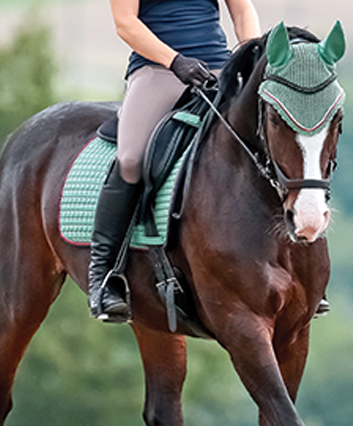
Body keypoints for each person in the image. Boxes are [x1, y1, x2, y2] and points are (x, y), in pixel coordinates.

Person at [89, 0, 261, 322]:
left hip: (220, 69)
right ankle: (103, 276)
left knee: (268, 141)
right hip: (158, 71)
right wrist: (175, 61)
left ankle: (298, 262)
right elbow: (125, 23)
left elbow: (242, 10)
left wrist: (251, 57)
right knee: (132, 158)